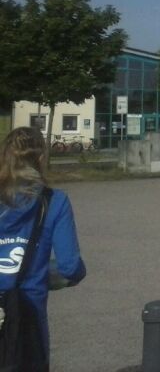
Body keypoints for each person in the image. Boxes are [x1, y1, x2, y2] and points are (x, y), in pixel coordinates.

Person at [0, 127, 86, 370]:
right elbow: (70, 267)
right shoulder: (54, 201)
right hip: (27, 316)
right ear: (41, 159)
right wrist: (41, 273)